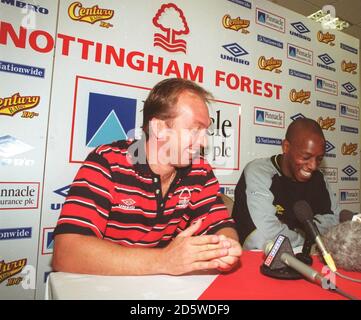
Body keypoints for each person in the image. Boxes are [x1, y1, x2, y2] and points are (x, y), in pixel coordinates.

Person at [52, 78, 242, 275]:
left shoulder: (200, 171)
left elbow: (220, 225)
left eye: (205, 131)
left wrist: (225, 247)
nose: (203, 141)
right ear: (159, 128)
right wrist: (164, 261)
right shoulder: (108, 162)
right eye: (195, 130)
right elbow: (66, 252)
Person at [232, 118, 340, 250]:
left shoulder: (319, 178)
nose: (313, 166)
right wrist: (306, 239)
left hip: (307, 255)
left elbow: (335, 222)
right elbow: (266, 234)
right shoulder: (259, 171)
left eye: (319, 159)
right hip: (258, 260)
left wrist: (291, 227)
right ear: (286, 147)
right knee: (260, 238)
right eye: (306, 157)